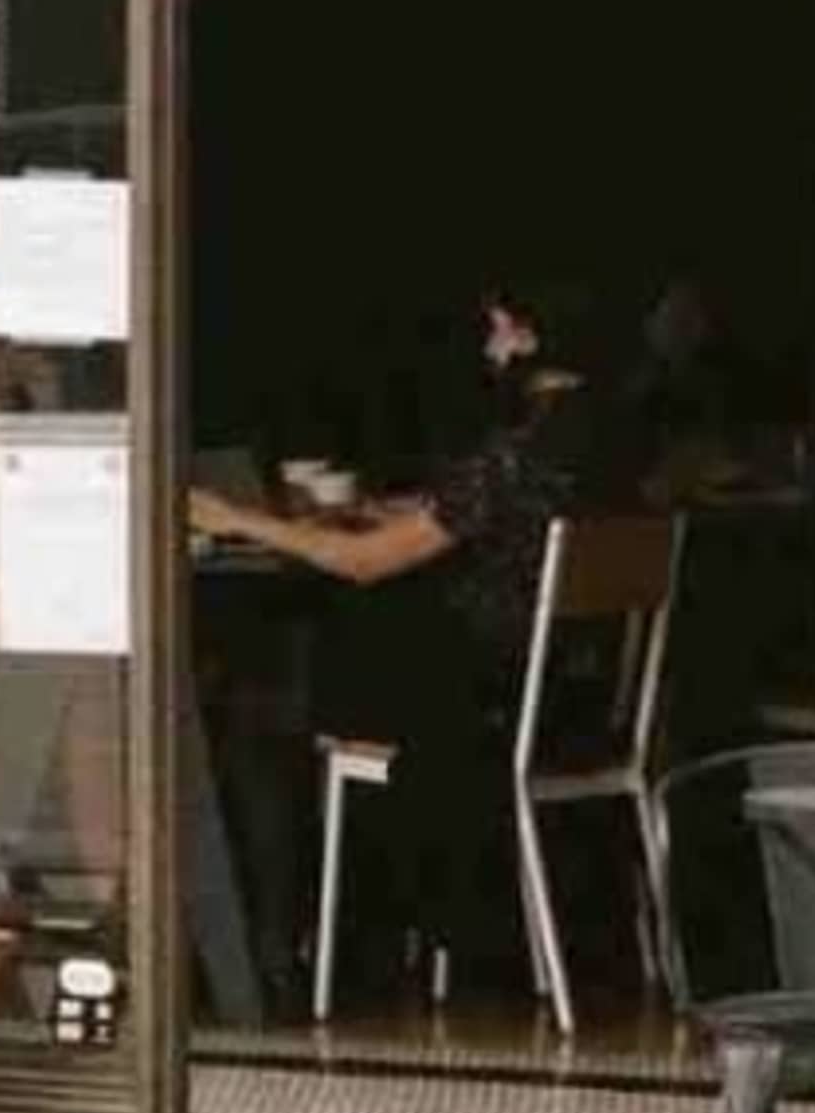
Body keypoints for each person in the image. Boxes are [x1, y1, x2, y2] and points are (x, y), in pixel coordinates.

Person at [188, 289, 618, 999]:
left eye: (501, 327)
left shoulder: (521, 452)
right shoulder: (594, 436)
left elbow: (368, 564)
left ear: (537, 335)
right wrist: (368, 511)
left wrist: (240, 520)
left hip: (477, 704)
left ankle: (272, 959)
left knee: (263, 711)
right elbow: (462, 512)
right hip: (561, 694)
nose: (490, 346)